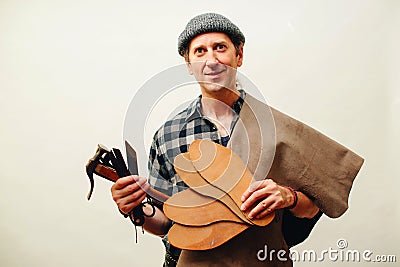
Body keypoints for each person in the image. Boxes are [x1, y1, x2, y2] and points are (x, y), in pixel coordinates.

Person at [111, 13, 363, 266]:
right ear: (188, 64)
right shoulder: (168, 136)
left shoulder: (277, 129)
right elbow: (166, 223)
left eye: (220, 48)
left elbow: (312, 209)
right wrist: (133, 209)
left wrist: (289, 197)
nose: (211, 60)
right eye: (199, 51)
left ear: (239, 55)